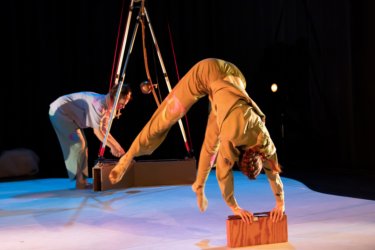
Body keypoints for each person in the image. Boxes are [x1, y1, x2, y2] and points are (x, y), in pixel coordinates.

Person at [109, 58, 284, 223]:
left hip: (235, 80)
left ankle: (199, 185)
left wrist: (280, 203)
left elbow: (273, 168)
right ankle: (128, 156)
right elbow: (223, 174)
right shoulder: (231, 139)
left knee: (211, 143)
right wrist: (235, 207)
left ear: (259, 154)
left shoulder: (263, 138)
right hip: (207, 73)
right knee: (166, 116)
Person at [49, 84, 132, 189]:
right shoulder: (100, 104)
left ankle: (82, 180)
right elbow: (98, 132)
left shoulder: (107, 105)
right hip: (59, 112)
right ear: (115, 98)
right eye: (122, 104)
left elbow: (104, 131)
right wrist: (112, 147)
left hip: (68, 114)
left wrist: (117, 146)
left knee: (83, 145)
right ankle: (80, 183)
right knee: (79, 144)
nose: (123, 107)